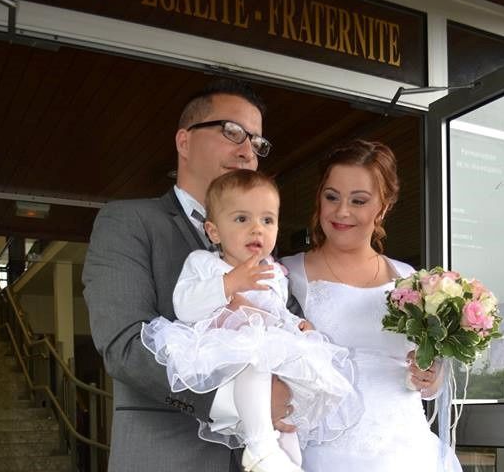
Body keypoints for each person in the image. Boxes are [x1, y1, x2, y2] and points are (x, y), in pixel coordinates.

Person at [82, 78, 295, 472]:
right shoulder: (128, 221)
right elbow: (124, 345)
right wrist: (233, 402)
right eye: (233, 132)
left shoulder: (258, 238)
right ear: (184, 142)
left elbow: (284, 322)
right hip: (166, 458)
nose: (248, 151)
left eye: (258, 143)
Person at [140, 169, 360, 472]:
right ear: (214, 231)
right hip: (225, 353)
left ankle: (285, 454)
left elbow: (278, 310)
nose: (257, 229)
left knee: (301, 381)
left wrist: (296, 325)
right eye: (242, 219)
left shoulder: (271, 270)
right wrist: (228, 284)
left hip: (267, 353)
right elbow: (185, 307)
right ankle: (259, 446)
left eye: (267, 220)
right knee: (255, 356)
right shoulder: (204, 263)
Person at [282, 139, 463, 471]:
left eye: (359, 200)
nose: (342, 212)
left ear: (384, 206)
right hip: (326, 452)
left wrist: (430, 376)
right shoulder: (287, 273)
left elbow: (430, 380)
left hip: (408, 452)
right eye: (331, 197)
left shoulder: (409, 278)